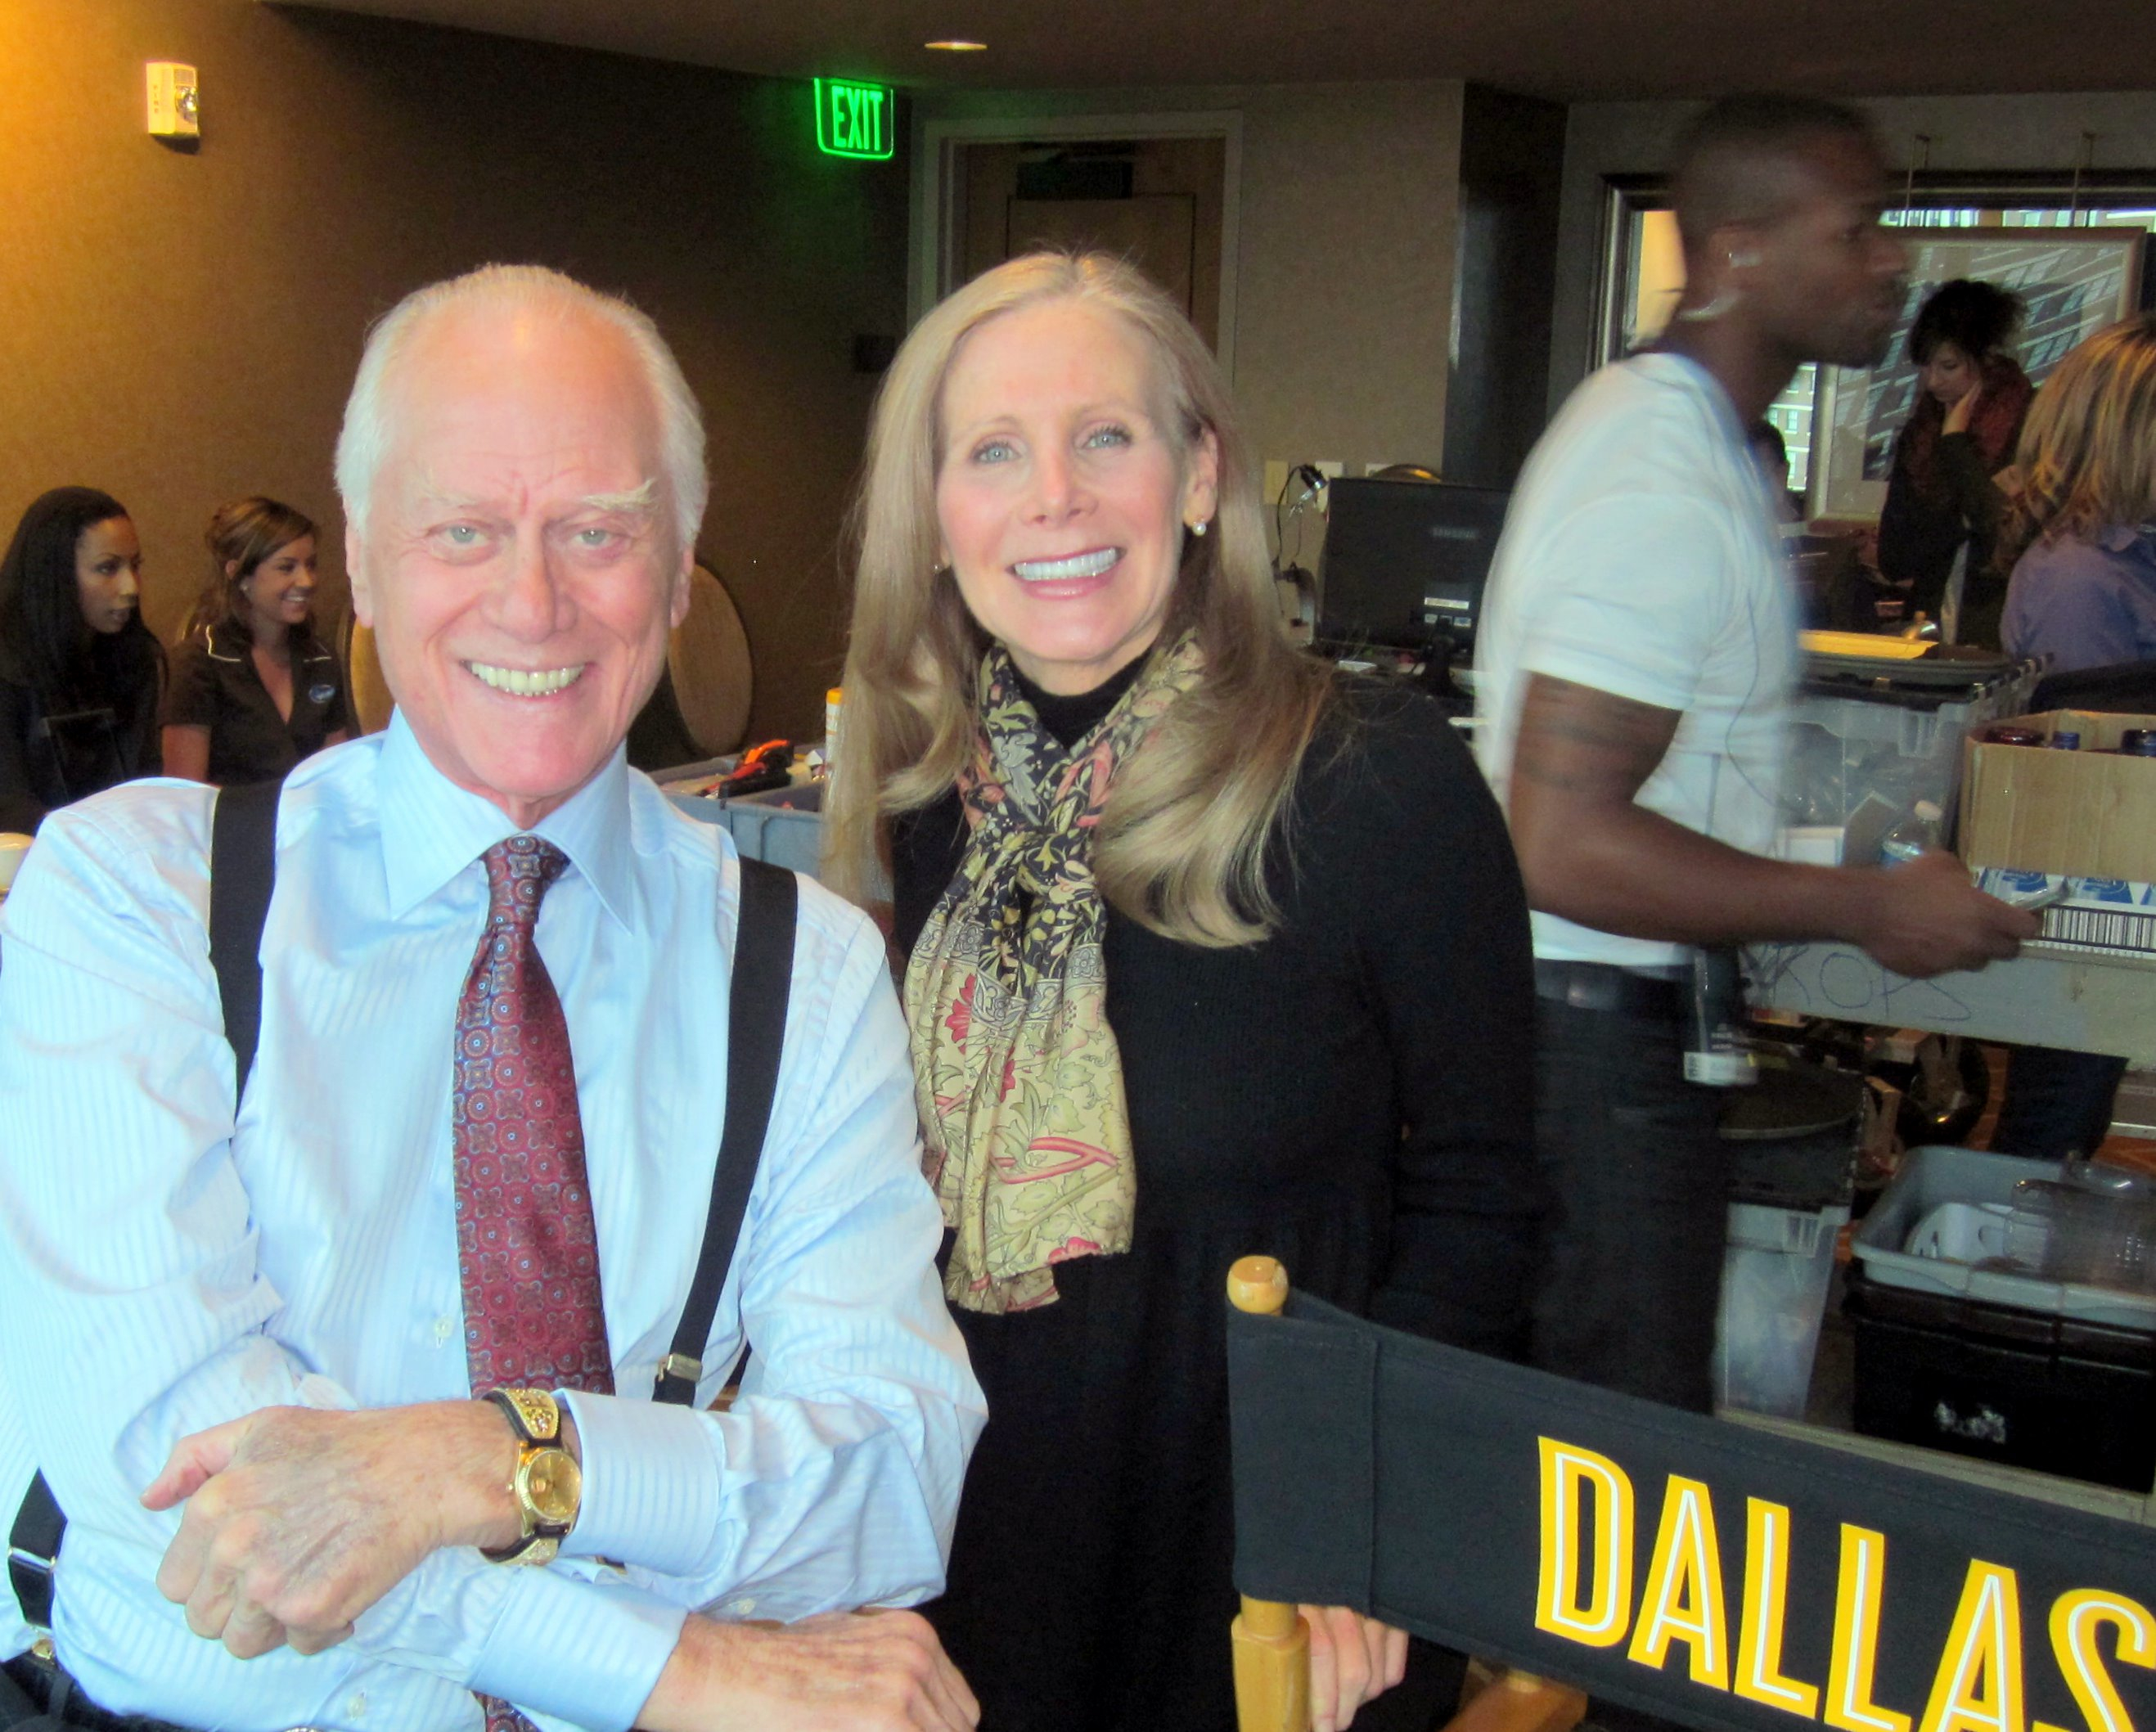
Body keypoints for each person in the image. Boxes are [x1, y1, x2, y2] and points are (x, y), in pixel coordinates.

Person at [0, 265, 983, 1731]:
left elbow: (893, 1471)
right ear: (368, 565)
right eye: (465, 529)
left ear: (679, 561)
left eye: (597, 530)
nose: (533, 599)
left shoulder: (811, 968)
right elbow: (186, 1487)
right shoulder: (135, 896)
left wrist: (490, 1460)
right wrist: (669, 1666)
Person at [823, 251, 1541, 1732]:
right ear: (938, 514)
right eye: (996, 452)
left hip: (1266, 1552)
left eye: (1108, 437)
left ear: (1201, 474)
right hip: (973, 1532)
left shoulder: (1374, 779)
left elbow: (1487, 1203)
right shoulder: (924, 795)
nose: (1056, 499)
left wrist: (1357, 1528)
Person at [1474, 95, 2037, 1418]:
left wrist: (1843, 863)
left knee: (1610, 1475)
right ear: (1734, 252)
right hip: (1587, 1061)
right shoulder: (1658, 469)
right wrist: (1867, 909)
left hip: (1607, 1045)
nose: (1892, 263)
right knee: (1613, 1495)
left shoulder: (1695, 445)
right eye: (1858, 230)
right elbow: (1558, 842)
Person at [1985, 313, 2156, 1160]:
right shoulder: (2083, 579)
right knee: (2051, 1127)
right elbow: (2098, 780)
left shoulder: (2125, 563)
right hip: (2089, 906)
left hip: (2115, 893)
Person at [1876, 278, 2032, 646]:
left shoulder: (2031, 423)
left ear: (1987, 359)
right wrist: (1964, 520)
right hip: (1926, 630)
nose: (1932, 382)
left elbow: (2005, 536)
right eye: (1926, 367)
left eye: (1948, 366)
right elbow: (1894, 557)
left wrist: (1956, 445)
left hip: (1997, 631)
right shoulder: (1921, 436)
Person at [0, 487, 164, 832]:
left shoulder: (133, 658)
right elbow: (10, 805)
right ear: (54, 574)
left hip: (117, 856)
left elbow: (145, 786)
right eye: (107, 568)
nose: (131, 587)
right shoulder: (8, 667)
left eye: (135, 566)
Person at [162, 497, 354, 784]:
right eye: (287, 567)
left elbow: (339, 772)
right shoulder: (198, 663)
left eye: (311, 565)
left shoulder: (322, 659)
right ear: (239, 575)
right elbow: (186, 793)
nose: (307, 581)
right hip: (231, 824)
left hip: (310, 822)